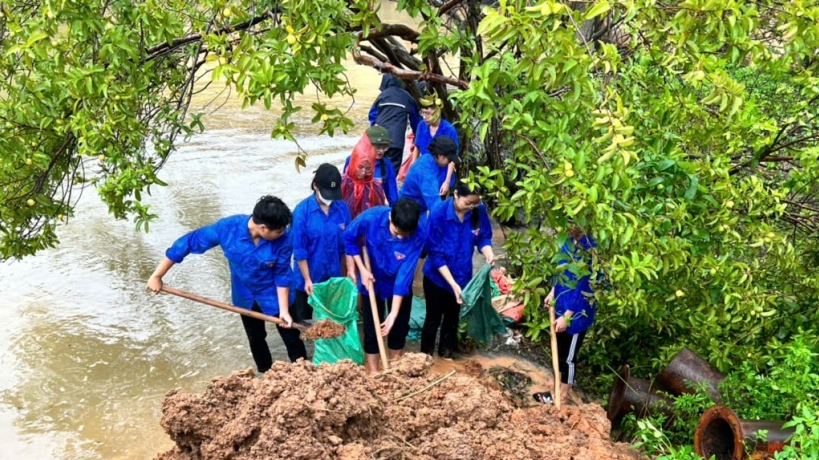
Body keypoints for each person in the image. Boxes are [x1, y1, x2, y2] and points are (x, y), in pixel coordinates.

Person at [146, 196, 296, 373]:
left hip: (276, 294)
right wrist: (157, 275)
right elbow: (187, 243)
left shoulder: (284, 239)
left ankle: (302, 370)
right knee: (256, 338)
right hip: (245, 296)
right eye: (278, 231)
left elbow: (282, 275)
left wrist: (284, 310)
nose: (282, 233)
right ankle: (266, 375)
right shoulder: (227, 229)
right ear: (263, 228)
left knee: (292, 336)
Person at [343, 198, 425, 374]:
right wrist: (362, 270)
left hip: (397, 283)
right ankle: (373, 371)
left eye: (406, 234)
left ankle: (394, 369)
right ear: (390, 218)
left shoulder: (419, 236)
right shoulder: (370, 218)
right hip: (371, 278)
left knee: (399, 327)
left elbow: (403, 277)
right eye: (397, 231)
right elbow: (349, 238)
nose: (401, 237)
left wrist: (393, 314)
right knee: (372, 328)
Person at [421, 181, 495, 360]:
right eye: (467, 202)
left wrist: (488, 253)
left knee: (453, 318)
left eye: (475, 203)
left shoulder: (479, 209)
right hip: (437, 277)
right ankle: (425, 358)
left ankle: (446, 356)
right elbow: (435, 254)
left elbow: (483, 237)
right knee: (433, 317)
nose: (471, 207)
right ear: (455, 194)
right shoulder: (438, 213)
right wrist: (452, 283)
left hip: (462, 276)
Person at [533, 226, 599, 406]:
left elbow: (585, 288)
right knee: (560, 349)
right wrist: (552, 293)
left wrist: (568, 316)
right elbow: (561, 272)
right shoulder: (568, 241)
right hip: (561, 304)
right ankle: (557, 384)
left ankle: (562, 395)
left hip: (577, 315)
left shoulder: (591, 250)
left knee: (568, 357)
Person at [290, 163, 351, 352]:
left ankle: (330, 353)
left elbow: (347, 245)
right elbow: (299, 250)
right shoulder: (302, 212)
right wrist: (308, 279)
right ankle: (310, 355)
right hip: (307, 277)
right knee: (307, 322)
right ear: (315, 186)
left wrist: (349, 274)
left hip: (333, 277)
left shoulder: (342, 209)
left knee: (331, 319)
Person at [368, 74, 422, 171]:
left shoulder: (382, 96)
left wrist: (375, 130)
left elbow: (372, 115)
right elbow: (416, 121)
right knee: (392, 171)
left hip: (379, 140)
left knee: (377, 169)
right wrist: (417, 137)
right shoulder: (407, 97)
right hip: (396, 142)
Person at [399, 136, 460, 216]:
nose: (450, 162)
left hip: (419, 207)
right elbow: (435, 206)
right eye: (449, 160)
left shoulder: (427, 158)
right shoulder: (426, 175)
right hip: (408, 211)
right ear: (440, 155)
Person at [413, 92, 460, 195]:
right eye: (422, 113)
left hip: (442, 175)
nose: (424, 117)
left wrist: (446, 182)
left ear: (437, 112)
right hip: (426, 174)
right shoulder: (421, 126)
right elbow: (417, 148)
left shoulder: (449, 130)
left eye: (428, 113)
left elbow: (453, 157)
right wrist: (412, 170)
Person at [343, 126, 399, 205]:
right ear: (366, 144)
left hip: (375, 208)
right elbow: (345, 187)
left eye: (384, 147)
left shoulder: (387, 165)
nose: (381, 151)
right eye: (377, 147)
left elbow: (392, 195)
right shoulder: (351, 160)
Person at [342, 131, 387, 219]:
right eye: (360, 167)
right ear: (353, 164)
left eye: (368, 169)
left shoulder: (375, 186)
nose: (363, 172)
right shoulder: (342, 182)